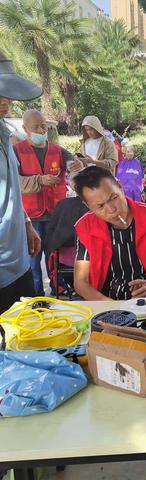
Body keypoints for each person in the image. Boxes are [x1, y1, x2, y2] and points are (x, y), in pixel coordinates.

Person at [73, 166, 146, 301]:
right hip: (107, 302)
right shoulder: (85, 227)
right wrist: (108, 305)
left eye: (114, 197)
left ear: (119, 186)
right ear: (88, 205)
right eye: (100, 206)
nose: (111, 209)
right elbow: (80, 283)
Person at [14, 109, 73, 296]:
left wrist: (76, 164)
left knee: (55, 255)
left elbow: (73, 165)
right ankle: (36, 294)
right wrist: (40, 180)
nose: (41, 130)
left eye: (43, 126)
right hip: (30, 217)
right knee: (33, 256)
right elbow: (15, 182)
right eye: (36, 127)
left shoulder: (57, 150)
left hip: (55, 214)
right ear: (25, 128)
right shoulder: (16, 151)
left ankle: (59, 290)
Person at [0, 52, 42, 312]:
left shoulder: (5, 134)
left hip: (18, 261)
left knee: (25, 338)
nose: (6, 102)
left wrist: (26, 223)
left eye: (7, 94)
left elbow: (10, 189)